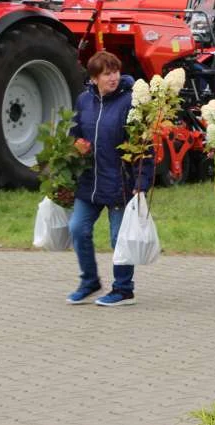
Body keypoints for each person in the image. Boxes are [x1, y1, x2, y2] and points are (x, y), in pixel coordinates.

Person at [67, 51, 154, 307]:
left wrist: (142, 183)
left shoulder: (130, 103)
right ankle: (90, 281)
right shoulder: (83, 101)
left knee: (119, 237)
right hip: (89, 182)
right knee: (77, 229)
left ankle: (124, 289)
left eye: (115, 72)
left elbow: (143, 146)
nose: (113, 78)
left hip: (120, 183)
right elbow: (75, 135)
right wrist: (71, 155)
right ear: (94, 78)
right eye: (107, 74)